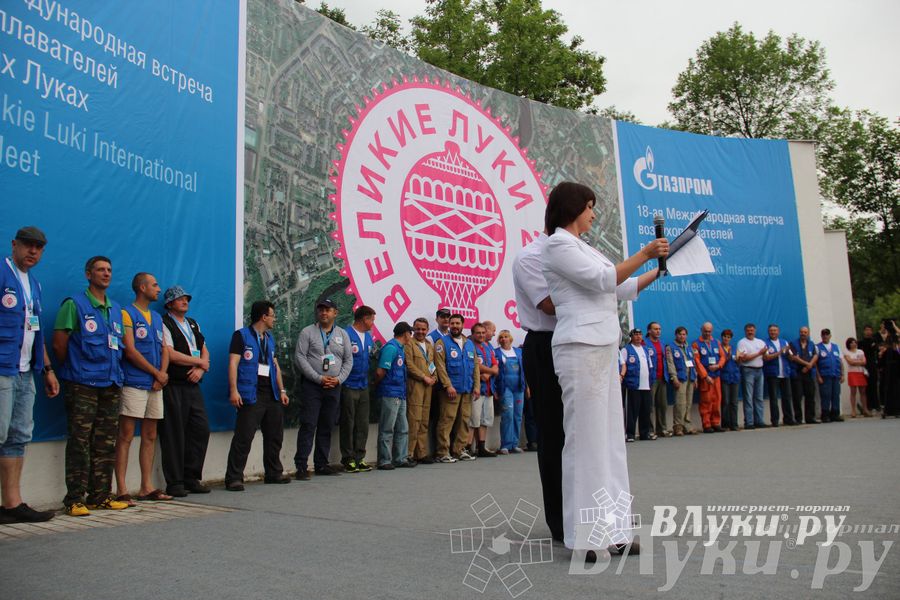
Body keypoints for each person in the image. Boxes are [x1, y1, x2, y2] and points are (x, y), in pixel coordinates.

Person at [542, 181, 666, 554]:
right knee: (584, 442)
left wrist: (659, 269)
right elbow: (603, 279)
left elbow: (621, 288)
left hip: (603, 348)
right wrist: (645, 253)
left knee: (611, 441)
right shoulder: (557, 244)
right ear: (573, 207)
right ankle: (584, 535)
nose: (594, 214)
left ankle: (616, 532)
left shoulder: (586, 248)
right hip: (579, 348)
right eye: (590, 206)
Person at [53, 256, 129, 515]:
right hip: (82, 384)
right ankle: (75, 498)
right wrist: (75, 369)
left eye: (109, 269)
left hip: (110, 383)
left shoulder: (116, 309)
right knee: (80, 441)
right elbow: (59, 344)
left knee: (106, 442)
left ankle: (101, 495)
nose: (105, 274)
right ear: (88, 274)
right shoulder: (74, 305)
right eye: (100, 270)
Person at [0, 227, 59, 524]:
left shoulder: (34, 285)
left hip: (26, 372)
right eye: (28, 245)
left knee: (18, 436)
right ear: (14, 245)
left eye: (39, 247)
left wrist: (47, 369)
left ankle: (11, 504)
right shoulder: (3, 273)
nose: (33, 251)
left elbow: (37, 332)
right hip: (2, 368)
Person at [512, 228, 563, 542]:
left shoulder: (581, 253)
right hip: (546, 345)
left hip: (578, 342)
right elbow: (547, 304)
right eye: (587, 209)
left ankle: (591, 512)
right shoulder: (531, 256)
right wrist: (597, 286)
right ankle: (560, 518)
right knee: (554, 435)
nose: (593, 217)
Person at [114, 273, 172, 505]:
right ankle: (121, 488)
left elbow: (165, 348)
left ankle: (146, 486)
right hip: (134, 382)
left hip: (156, 385)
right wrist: (155, 372)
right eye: (155, 285)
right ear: (142, 287)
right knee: (126, 435)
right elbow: (130, 349)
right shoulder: (127, 313)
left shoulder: (157, 318)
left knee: (150, 435)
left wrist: (163, 374)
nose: (158, 289)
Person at [224, 301, 291, 490]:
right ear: (264, 317)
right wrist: (234, 390)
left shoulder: (269, 339)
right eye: (272, 315)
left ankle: (273, 473)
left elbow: (275, 366)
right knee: (244, 437)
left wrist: (282, 390)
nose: (274, 319)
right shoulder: (241, 336)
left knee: (274, 435)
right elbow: (233, 364)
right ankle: (234, 477)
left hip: (271, 393)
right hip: (250, 393)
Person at [159, 285, 211, 497]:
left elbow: (204, 349)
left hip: (193, 385)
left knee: (200, 429)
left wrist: (200, 368)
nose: (184, 301)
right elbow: (170, 354)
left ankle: (192, 476)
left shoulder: (193, 323)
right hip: (174, 384)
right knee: (174, 433)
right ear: (170, 303)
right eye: (179, 299)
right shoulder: (164, 323)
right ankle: (175, 482)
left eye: (186, 298)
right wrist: (199, 362)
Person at [293, 298, 352, 479]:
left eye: (328, 310)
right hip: (313, 386)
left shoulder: (342, 334)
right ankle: (302, 466)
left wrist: (339, 380)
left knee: (326, 425)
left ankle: (321, 463)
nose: (324, 313)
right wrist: (318, 378)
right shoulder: (307, 332)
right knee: (309, 424)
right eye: (321, 310)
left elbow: (349, 360)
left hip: (334, 386)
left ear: (335, 313)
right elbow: (300, 358)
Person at [433, 314, 479, 463]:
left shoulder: (469, 343)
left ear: (462, 324)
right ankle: (442, 452)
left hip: (466, 389)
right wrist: (448, 385)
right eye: (452, 323)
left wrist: (476, 386)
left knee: (464, 420)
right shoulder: (442, 343)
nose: (454, 326)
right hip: (450, 390)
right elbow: (440, 367)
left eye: (457, 323)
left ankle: (459, 449)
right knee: (447, 420)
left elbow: (475, 367)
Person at [341, 305, 376, 473]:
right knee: (348, 422)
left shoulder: (368, 338)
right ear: (364, 319)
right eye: (372, 320)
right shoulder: (346, 334)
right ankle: (348, 459)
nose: (373, 324)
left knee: (362, 423)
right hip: (348, 385)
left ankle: (359, 457)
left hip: (363, 386)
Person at [375, 322, 415, 470]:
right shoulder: (391, 348)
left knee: (403, 428)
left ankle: (400, 458)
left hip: (400, 393)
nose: (410, 336)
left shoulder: (401, 349)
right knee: (387, 428)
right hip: (390, 393)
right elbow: (380, 372)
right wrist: (379, 385)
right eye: (409, 333)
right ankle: (384, 460)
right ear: (405, 334)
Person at [404, 317, 436, 464]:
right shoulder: (409, 344)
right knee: (414, 420)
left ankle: (421, 453)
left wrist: (434, 376)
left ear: (427, 330)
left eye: (423, 329)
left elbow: (432, 364)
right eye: (417, 329)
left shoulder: (429, 345)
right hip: (415, 386)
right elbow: (409, 365)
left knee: (424, 420)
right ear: (413, 329)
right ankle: (409, 453)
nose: (420, 332)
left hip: (428, 387)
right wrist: (424, 377)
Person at [620, 329, 655, 443]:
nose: (638, 337)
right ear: (631, 337)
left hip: (646, 386)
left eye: (640, 335)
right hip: (633, 386)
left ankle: (645, 433)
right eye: (636, 335)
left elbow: (650, 367)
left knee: (645, 411)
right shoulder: (626, 350)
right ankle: (630, 434)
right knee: (632, 411)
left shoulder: (645, 350)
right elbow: (622, 366)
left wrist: (651, 381)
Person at [495, 330, 526, 454]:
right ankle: (505, 445)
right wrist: (495, 389)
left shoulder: (519, 352)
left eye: (506, 336)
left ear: (511, 339)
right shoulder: (496, 352)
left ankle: (514, 444)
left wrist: (527, 387)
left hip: (518, 387)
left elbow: (524, 371)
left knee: (517, 415)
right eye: (501, 337)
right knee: (507, 415)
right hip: (505, 387)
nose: (503, 339)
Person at [470, 322, 497, 458]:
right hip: (476, 388)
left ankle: (482, 446)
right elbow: (474, 364)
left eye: (482, 333)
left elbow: (495, 365)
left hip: (488, 388)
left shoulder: (488, 347)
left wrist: (490, 372)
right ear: (473, 334)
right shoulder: (470, 345)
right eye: (478, 333)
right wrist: (489, 371)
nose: (481, 335)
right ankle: (468, 447)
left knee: (485, 419)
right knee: (473, 419)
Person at [692, 322, 725, 433]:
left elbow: (722, 356)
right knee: (706, 401)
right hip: (706, 378)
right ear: (701, 330)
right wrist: (705, 376)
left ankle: (715, 422)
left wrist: (718, 365)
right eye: (705, 331)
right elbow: (696, 362)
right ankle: (706, 424)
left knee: (717, 400)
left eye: (709, 331)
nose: (707, 333)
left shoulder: (716, 342)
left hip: (716, 376)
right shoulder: (696, 344)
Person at [762, 324, 795, 426]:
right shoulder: (765, 343)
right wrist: (780, 352)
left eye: (775, 330)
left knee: (787, 397)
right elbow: (766, 357)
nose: (773, 332)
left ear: (778, 332)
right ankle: (775, 420)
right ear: (768, 332)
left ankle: (789, 419)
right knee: (774, 398)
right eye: (771, 331)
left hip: (785, 374)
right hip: (773, 374)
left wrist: (789, 353)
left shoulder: (784, 342)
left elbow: (791, 357)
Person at [736, 323, 767, 429]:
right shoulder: (742, 343)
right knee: (748, 397)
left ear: (755, 331)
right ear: (745, 331)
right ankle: (749, 422)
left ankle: (759, 420)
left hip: (760, 370)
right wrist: (759, 353)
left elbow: (765, 356)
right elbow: (744, 358)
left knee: (759, 397)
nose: (750, 332)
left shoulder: (760, 342)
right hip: (748, 370)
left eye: (752, 330)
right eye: (748, 330)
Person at [668, 326, 697, 436]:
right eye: (680, 334)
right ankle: (678, 426)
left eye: (684, 334)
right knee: (680, 403)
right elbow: (670, 363)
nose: (682, 336)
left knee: (688, 402)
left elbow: (693, 362)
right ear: (676, 335)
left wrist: (695, 377)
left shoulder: (689, 347)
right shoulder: (671, 347)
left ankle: (687, 425)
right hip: (680, 378)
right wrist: (674, 377)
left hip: (690, 377)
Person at [645, 322, 671, 438]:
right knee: (650, 406)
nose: (658, 331)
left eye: (659, 329)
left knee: (662, 405)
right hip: (651, 379)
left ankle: (662, 429)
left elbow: (666, 361)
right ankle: (650, 430)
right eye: (655, 329)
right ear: (649, 331)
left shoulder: (662, 344)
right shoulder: (644, 344)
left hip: (662, 378)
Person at [788, 327, 819, 424]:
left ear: (808, 333)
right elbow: (793, 357)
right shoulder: (792, 344)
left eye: (805, 332)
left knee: (810, 396)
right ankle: (798, 418)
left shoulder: (812, 344)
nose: (803, 334)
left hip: (809, 373)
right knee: (797, 396)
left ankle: (810, 418)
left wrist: (809, 366)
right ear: (799, 333)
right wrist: (807, 364)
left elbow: (815, 355)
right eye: (801, 332)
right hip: (797, 373)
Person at [816, 328, 844, 423]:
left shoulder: (836, 347)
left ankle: (835, 414)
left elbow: (840, 361)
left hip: (835, 375)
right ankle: (825, 415)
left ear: (830, 336)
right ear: (821, 336)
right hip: (825, 375)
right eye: (823, 334)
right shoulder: (818, 347)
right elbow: (815, 364)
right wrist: (818, 376)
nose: (825, 336)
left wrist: (842, 374)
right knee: (826, 396)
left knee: (836, 395)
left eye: (827, 334)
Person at [719, 329, 741, 431]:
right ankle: (725, 423)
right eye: (725, 336)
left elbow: (738, 362)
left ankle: (734, 423)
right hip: (725, 377)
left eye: (728, 337)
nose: (726, 339)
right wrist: (726, 358)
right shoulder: (719, 348)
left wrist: (740, 359)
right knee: (726, 401)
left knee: (734, 402)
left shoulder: (734, 348)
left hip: (735, 377)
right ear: (722, 337)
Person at [844, 337, 871, 417]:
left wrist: (856, 362)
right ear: (849, 344)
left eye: (854, 342)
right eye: (851, 342)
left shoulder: (860, 351)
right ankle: (853, 410)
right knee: (853, 392)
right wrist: (859, 361)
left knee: (863, 392)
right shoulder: (847, 352)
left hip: (860, 372)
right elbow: (850, 362)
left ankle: (865, 409)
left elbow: (864, 361)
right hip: (852, 373)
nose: (854, 344)